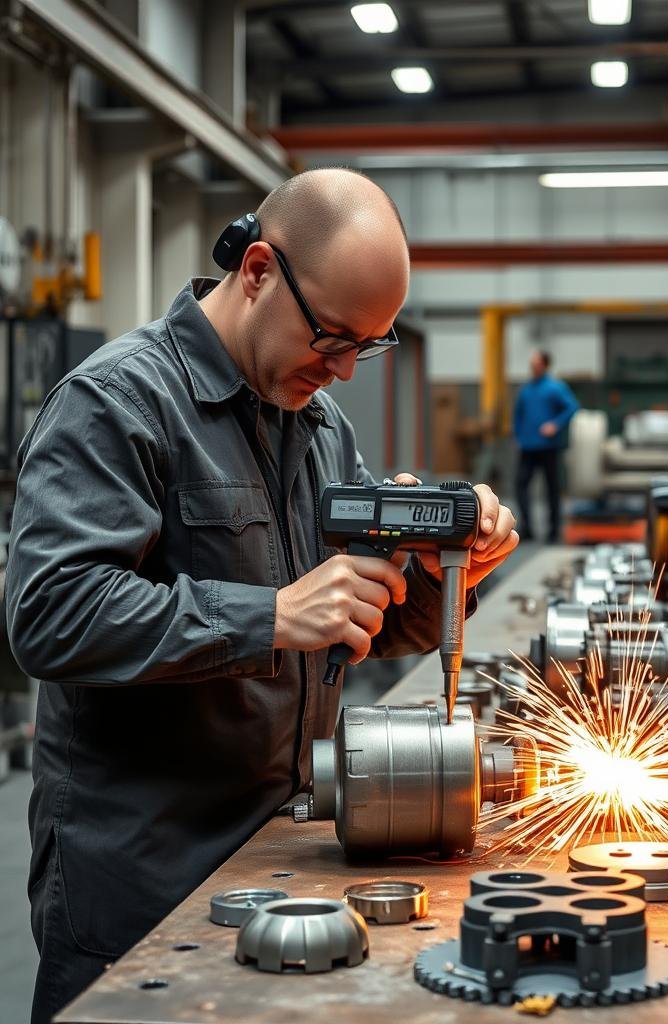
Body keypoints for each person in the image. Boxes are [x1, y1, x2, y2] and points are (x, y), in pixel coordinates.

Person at [5, 168, 518, 1023]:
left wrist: (438, 579)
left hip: (283, 859)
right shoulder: (116, 403)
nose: (348, 371)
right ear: (257, 272)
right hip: (144, 882)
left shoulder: (314, 423)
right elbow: (51, 614)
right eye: (334, 339)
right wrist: (272, 615)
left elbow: (354, 622)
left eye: (371, 346)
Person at [512, 349, 579, 542]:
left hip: (548, 447)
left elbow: (572, 407)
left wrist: (555, 424)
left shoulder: (555, 388)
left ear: (545, 365)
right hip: (528, 447)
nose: (532, 366)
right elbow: (518, 414)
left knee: (552, 488)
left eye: (536, 362)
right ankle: (527, 527)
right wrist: (518, 435)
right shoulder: (526, 390)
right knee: (521, 485)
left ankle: (553, 530)